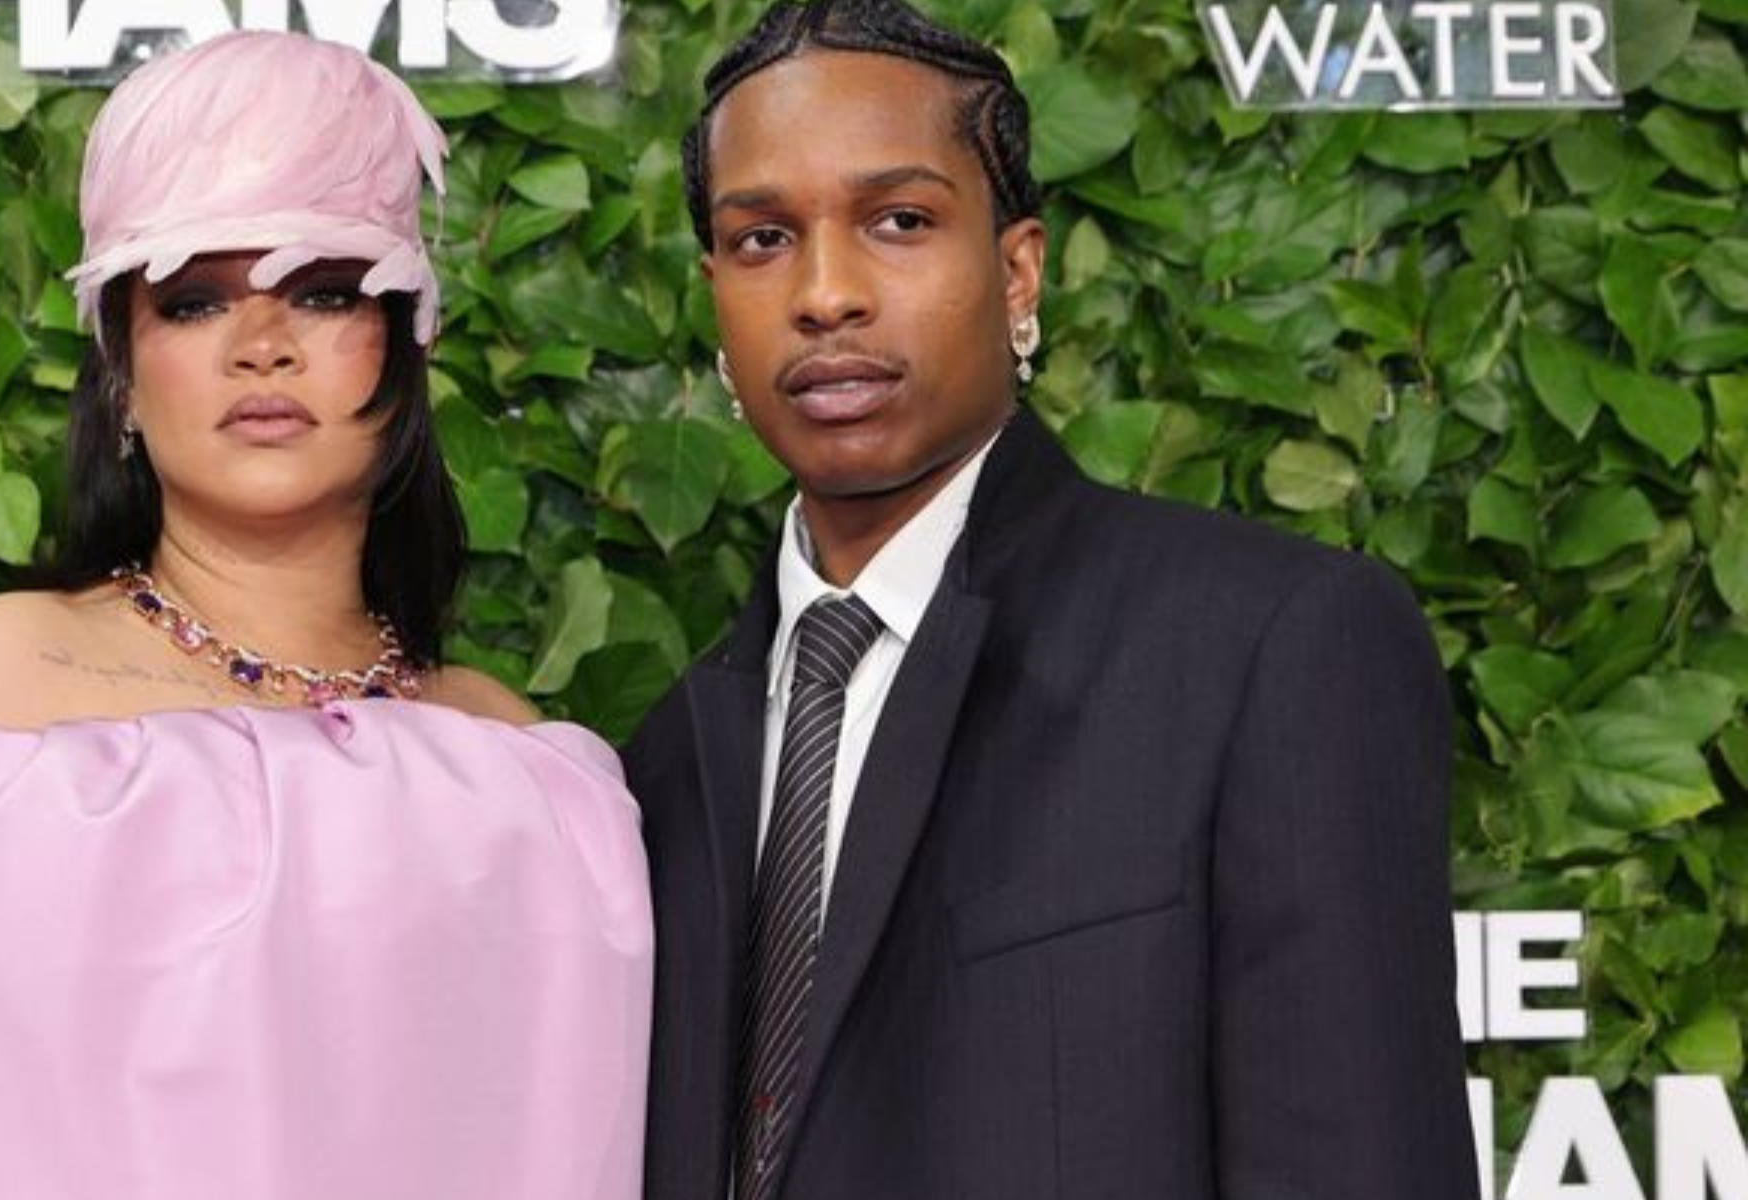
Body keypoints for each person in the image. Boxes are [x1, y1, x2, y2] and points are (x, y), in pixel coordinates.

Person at [0, 31, 651, 1200]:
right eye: (196, 301)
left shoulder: (523, 770)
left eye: (323, 291)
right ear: (121, 376)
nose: (263, 346)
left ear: (407, 351)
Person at [619, 1, 1476, 1198]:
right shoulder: (661, 765)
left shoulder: (1268, 650)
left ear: (1018, 269)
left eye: (899, 221)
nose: (824, 294)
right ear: (714, 288)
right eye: (763, 240)